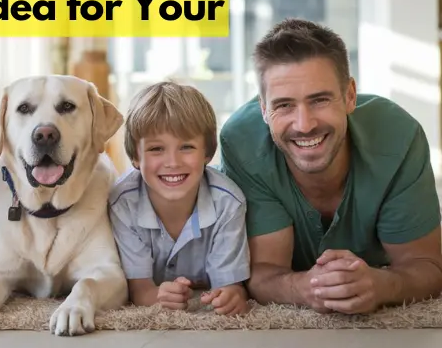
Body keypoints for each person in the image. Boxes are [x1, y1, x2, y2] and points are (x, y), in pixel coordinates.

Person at [219, 18, 442, 315]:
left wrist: (380, 285)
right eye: (284, 105)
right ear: (263, 108)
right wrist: (306, 288)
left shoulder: (397, 136)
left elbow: (429, 267)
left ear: (350, 95)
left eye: (320, 100)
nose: (304, 124)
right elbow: (262, 273)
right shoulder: (242, 143)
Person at [109, 81, 251, 316]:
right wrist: (156, 296)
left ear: (207, 152)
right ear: (136, 157)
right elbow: (140, 291)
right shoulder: (122, 203)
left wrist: (231, 296)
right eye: (156, 149)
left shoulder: (228, 202)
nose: (173, 162)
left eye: (186, 147)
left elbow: (232, 286)